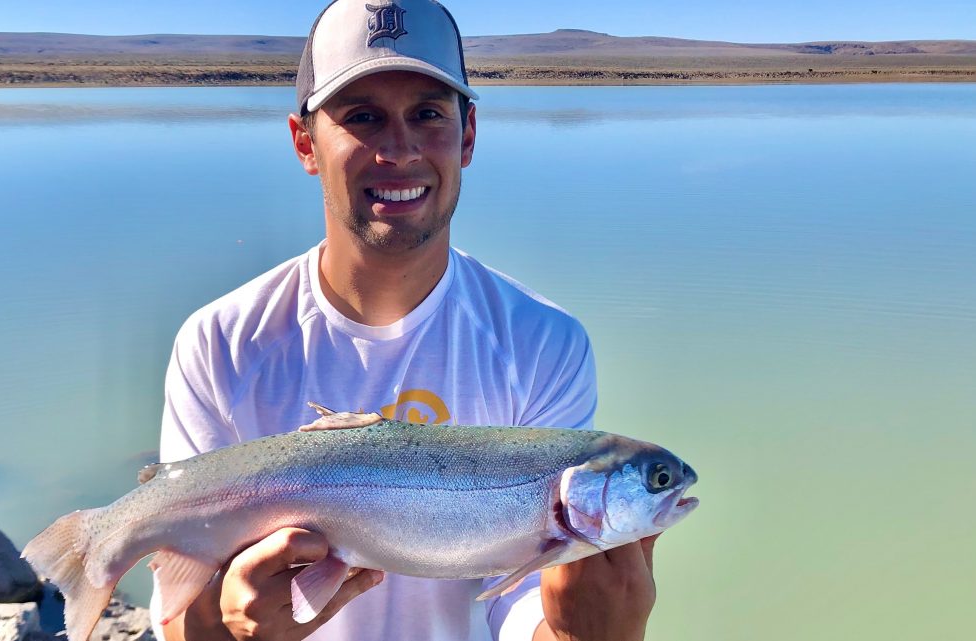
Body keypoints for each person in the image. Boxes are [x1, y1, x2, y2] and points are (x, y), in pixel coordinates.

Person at [153, 1, 660, 640]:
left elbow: (524, 596)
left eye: (427, 114)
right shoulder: (221, 343)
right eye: (363, 117)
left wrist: (580, 635)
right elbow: (180, 613)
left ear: (468, 134)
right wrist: (227, 632)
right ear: (305, 143)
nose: (400, 149)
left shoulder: (542, 342)